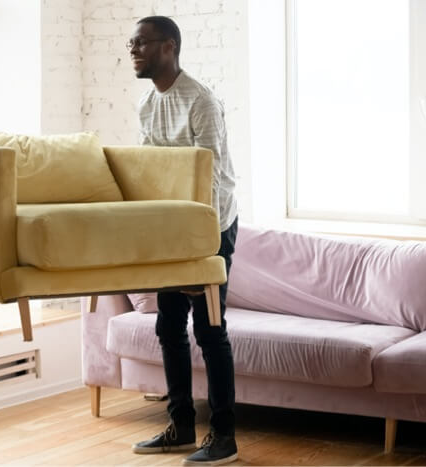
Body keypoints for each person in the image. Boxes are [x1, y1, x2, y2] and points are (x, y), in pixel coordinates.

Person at [127, 16, 239, 466]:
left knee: (210, 331)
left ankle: (224, 437)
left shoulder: (201, 101)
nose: (133, 50)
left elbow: (211, 180)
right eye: (130, 44)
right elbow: (151, 175)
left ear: (169, 47)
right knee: (168, 326)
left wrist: (199, 252)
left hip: (212, 227)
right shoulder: (146, 105)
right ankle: (181, 427)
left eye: (142, 43)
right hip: (173, 228)